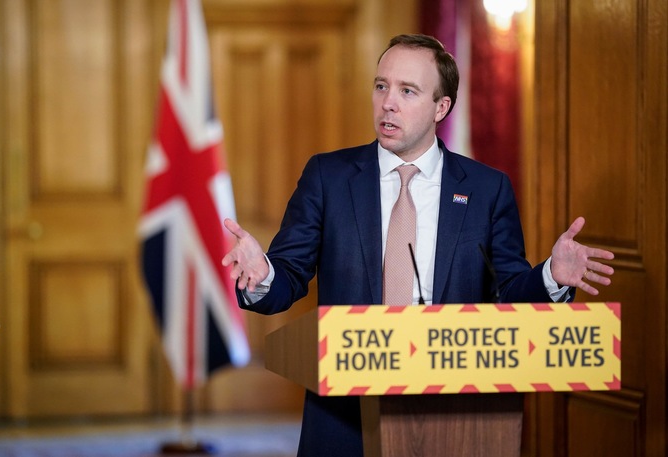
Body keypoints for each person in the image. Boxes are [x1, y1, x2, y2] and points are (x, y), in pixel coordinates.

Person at [221, 34, 614, 457]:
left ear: (440, 108)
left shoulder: (486, 189)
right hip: (345, 415)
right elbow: (289, 275)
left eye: (407, 91)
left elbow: (509, 293)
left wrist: (550, 276)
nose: (388, 102)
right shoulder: (328, 177)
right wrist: (264, 275)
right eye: (381, 86)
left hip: (456, 418)